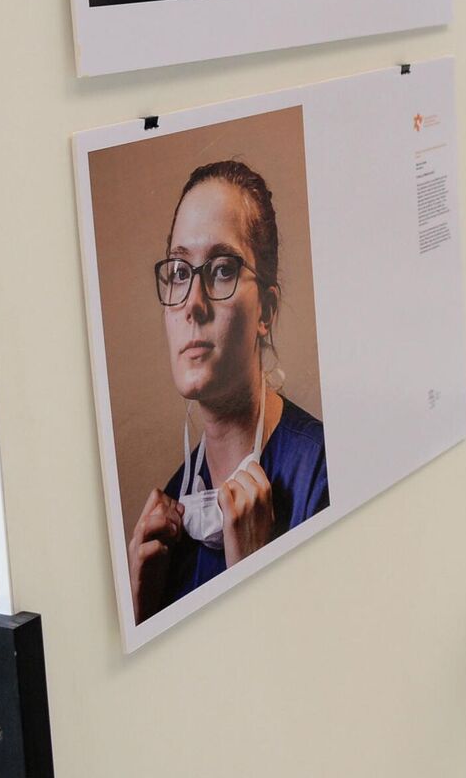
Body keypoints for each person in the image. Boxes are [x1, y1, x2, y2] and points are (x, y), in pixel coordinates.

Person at [126, 160, 330, 625]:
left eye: (221, 270)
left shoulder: (321, 476)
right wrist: (142, 610)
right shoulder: (171, 515)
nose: (192, 305)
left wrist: (255, 574)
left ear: (267, 310)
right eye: (179, 272)